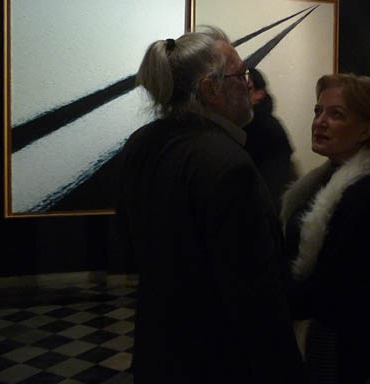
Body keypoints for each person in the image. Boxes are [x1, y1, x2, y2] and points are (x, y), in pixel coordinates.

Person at [117, 26, 305, 383]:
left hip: (159, 348)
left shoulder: (141, 143)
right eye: (241, 74)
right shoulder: (226, 163)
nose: (248, 85)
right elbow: (253, 291)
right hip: (216, 358)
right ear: (211, 89)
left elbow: (129, 247)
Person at [281, 73, 370, 383]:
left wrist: (274, 295)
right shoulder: (328, 178)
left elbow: (334, 285)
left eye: (336, 114)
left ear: (366, 130)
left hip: (337, 341)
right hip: (319, 332)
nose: (320, 122)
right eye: (318, 111)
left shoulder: (367, 192)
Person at [244, 68, 297, 213]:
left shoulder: (265, 128)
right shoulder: (249, 124)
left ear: (260, 93)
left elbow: (274, 186)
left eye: (248, 88)